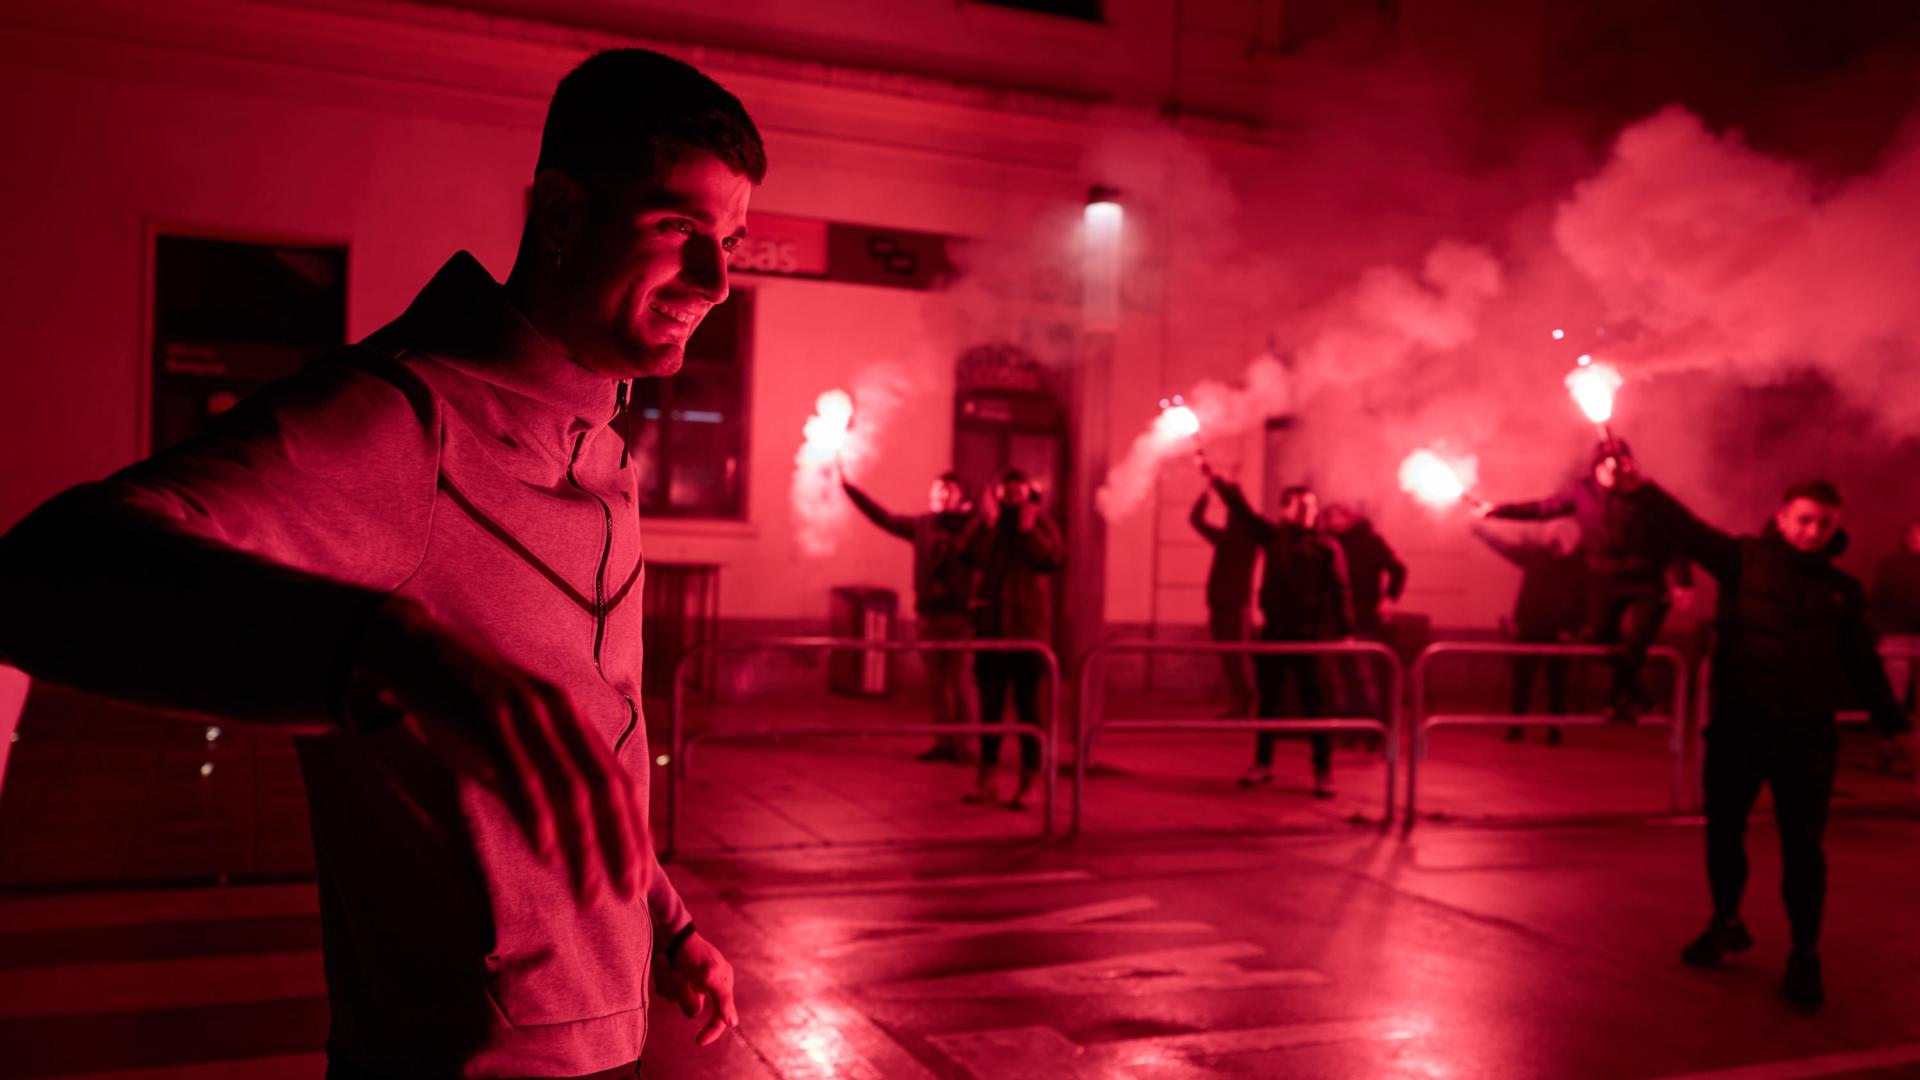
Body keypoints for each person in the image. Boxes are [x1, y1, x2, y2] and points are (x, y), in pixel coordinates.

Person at [0, 49, 755, 1077]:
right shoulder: (399, 421)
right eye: (678, 228)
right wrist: (386, 650)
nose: (716, 282)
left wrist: (666, 926)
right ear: (562, 215)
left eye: (731, 242)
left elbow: (582, 751)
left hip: (610, 1036)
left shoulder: (606, 450)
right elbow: (41, 573)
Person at [1646, 480, 1913, 1009]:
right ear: (1783, 518)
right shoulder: (1742, 561)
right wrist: (1638, 489)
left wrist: (1893, 726)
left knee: (1804, 849)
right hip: (1740, 730)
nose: (1814, 532)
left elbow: (1862, 663)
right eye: (1805, 520)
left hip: (1806, 738)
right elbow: (1686, 528)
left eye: (1825, 523)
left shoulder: (1842, 590)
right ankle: (1725, 921)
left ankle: (1804, 955)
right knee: (1724, 832)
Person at [1474, 438, 1692, 724]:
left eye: (1622, 464)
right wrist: (1498, 510)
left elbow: (1673, 536)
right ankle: (1636, 694)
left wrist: (1682, 580)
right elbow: (1541, 509)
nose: (1616, 472)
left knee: (1638, 640)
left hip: (1646, 580)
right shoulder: (1582, 492)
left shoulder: (1642, 492)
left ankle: (1619, 698)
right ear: (1597, 467)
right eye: (1610, 466)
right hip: (1607, 579)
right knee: (1598, 639)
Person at [1205, 466, 1354, 798]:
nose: (1307, 512)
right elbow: (1243, 513)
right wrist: (1222, 484)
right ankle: (1263, 764)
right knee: (1269, 702)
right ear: (1285, 509)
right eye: (1300, 506)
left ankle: (1323, 771)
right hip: (1276, 631)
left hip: (1311, 635)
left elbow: (1340, 588)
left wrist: (1347, 629)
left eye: (1311, 506)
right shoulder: (1273, 537)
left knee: (1316, 704)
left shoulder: (1327, 547)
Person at [841, 466, 979, 763]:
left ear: (962, 497)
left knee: (960, 683)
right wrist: (851, 490)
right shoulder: (922, 526)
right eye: (937, 488)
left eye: (949, 490)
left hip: (959, 618)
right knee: (937, 684)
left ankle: (967, 744)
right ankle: (944, 742)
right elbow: (884, 518)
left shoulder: (971, 529)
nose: (941, 494)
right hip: (929, 617)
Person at [960, 469, 1063, 809]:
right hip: (991, 632)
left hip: (1026, 634)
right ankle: (986, 779)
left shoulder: (1040, 523)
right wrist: (988, 525)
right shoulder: (986, 525)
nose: (1012, 499)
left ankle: (1030, 781)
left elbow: (1051, 559)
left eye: (1018, 493)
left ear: (1028, 494)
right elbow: (968, 556)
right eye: (1007, 493)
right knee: (989, 710)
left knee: (1028, 711)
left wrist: (1027, 532)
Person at [1471, 519, 1591, 745]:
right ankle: (1517, 726)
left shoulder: (1577, 566)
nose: (1554, 543)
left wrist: (1571, 630)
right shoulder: (1539, 557)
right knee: (1523, 680)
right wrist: (1482, 532)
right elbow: (1507, 549)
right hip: (1532, 628)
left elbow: (1583, 601)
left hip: (1558, 633)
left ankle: (1554, 729)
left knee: (1556, 684)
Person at [1321, 502, 1406, 735]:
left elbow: (1398, 569)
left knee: (1370, 675)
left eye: (1339, 515)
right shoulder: (1325, 542)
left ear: (1350, 517)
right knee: (1343, 675)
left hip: (1366, 616)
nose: (1335, 521)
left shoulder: (1370, 541)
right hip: (1336, 619)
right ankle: (1351, 725)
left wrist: (1388, 598)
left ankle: (1375, 727)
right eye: (1330, 516)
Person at [1189, 485, 1260, 717]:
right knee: (1231, 658)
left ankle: (1242, 703)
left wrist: (1212, 492)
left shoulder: (1242, 541)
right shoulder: (1231, 539)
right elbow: (1196, 520)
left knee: (1235, 658)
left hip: (1233, 606)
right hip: (1224, 605)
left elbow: (1196, 520)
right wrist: (1214, 492)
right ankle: (1240, 702)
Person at [1870, 520, 1920, 720]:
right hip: (1896, 638)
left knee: (1895, 693)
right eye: (1915, 535)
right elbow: (1878, 601)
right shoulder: (1889, 565)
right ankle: (1894, 731)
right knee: (1894, 694)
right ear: (1907, 538)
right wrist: (1883, 631)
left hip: (1895, 636)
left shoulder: (1889, 565)